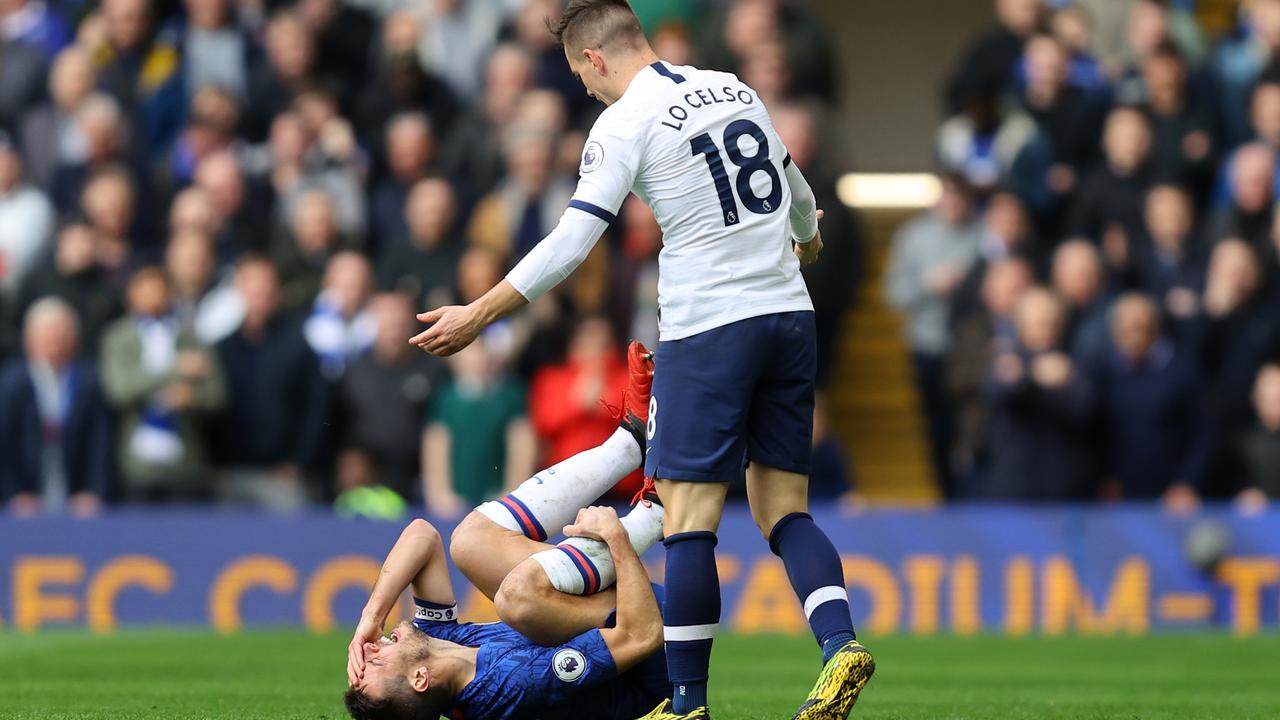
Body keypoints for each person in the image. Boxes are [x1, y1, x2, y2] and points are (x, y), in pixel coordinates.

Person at [407, 3, 872, 718]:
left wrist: (480, 311)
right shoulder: (732, 88)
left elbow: (571, 241)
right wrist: (807, 238)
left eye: (577, 73)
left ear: (593, 59)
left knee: (688, 522)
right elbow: (796, 188)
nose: (586, 90)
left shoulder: (624, 121)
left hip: (710, 328)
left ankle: (685, 705)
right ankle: (840, 646)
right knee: (784, 511)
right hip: (789, 316)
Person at [344, 341, 671, 720]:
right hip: (652, 636)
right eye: (376, 664)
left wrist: (371, 615)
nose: (369, 650)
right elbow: (642, 636)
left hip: (614, 610)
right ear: (420, 679)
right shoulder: (512, 687)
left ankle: (630, 441)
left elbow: (421, 536)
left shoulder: (442, 648)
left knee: (468, 543)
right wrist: (616, 540)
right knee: (518, 599)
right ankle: (656, 513)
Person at [0, 297, 113, 517]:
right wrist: (13, 493)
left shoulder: (88, 381)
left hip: (76, 495)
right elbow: (5, 443)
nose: (54, 339)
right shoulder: (12, 383)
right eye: (47, 333)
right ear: (29, 338)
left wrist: (94, 491)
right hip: (25, 499)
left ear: (73, 337)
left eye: (60, 332)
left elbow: (100, 442)